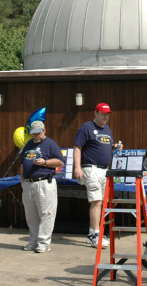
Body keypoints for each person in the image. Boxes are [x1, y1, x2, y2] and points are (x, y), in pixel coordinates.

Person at [73, 103, 123, 248]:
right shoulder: (86, 127)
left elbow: (104, 146)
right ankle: (95, 234)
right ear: (95, 113)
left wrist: (114, 147)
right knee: (96, 202)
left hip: (104, 170)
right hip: (91, 168)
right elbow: (77, 147)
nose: (106, 116)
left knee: (100, 201)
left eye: (108, 114)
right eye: (103, 113)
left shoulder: (107, 129)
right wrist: (77, 167)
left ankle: (93, 233)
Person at [20, 120, 64, 253]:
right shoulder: (28, 144)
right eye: (33, 134)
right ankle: (33, 242)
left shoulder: (50, 143)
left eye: (38, 133)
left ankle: (44, 243)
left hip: (44, 182)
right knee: (31, 215)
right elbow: (22, 163)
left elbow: (60, 161)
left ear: (44, 131)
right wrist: (22, 180)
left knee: (46, 214)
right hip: (28, 184)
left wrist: (45, 162)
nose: (35, 136)